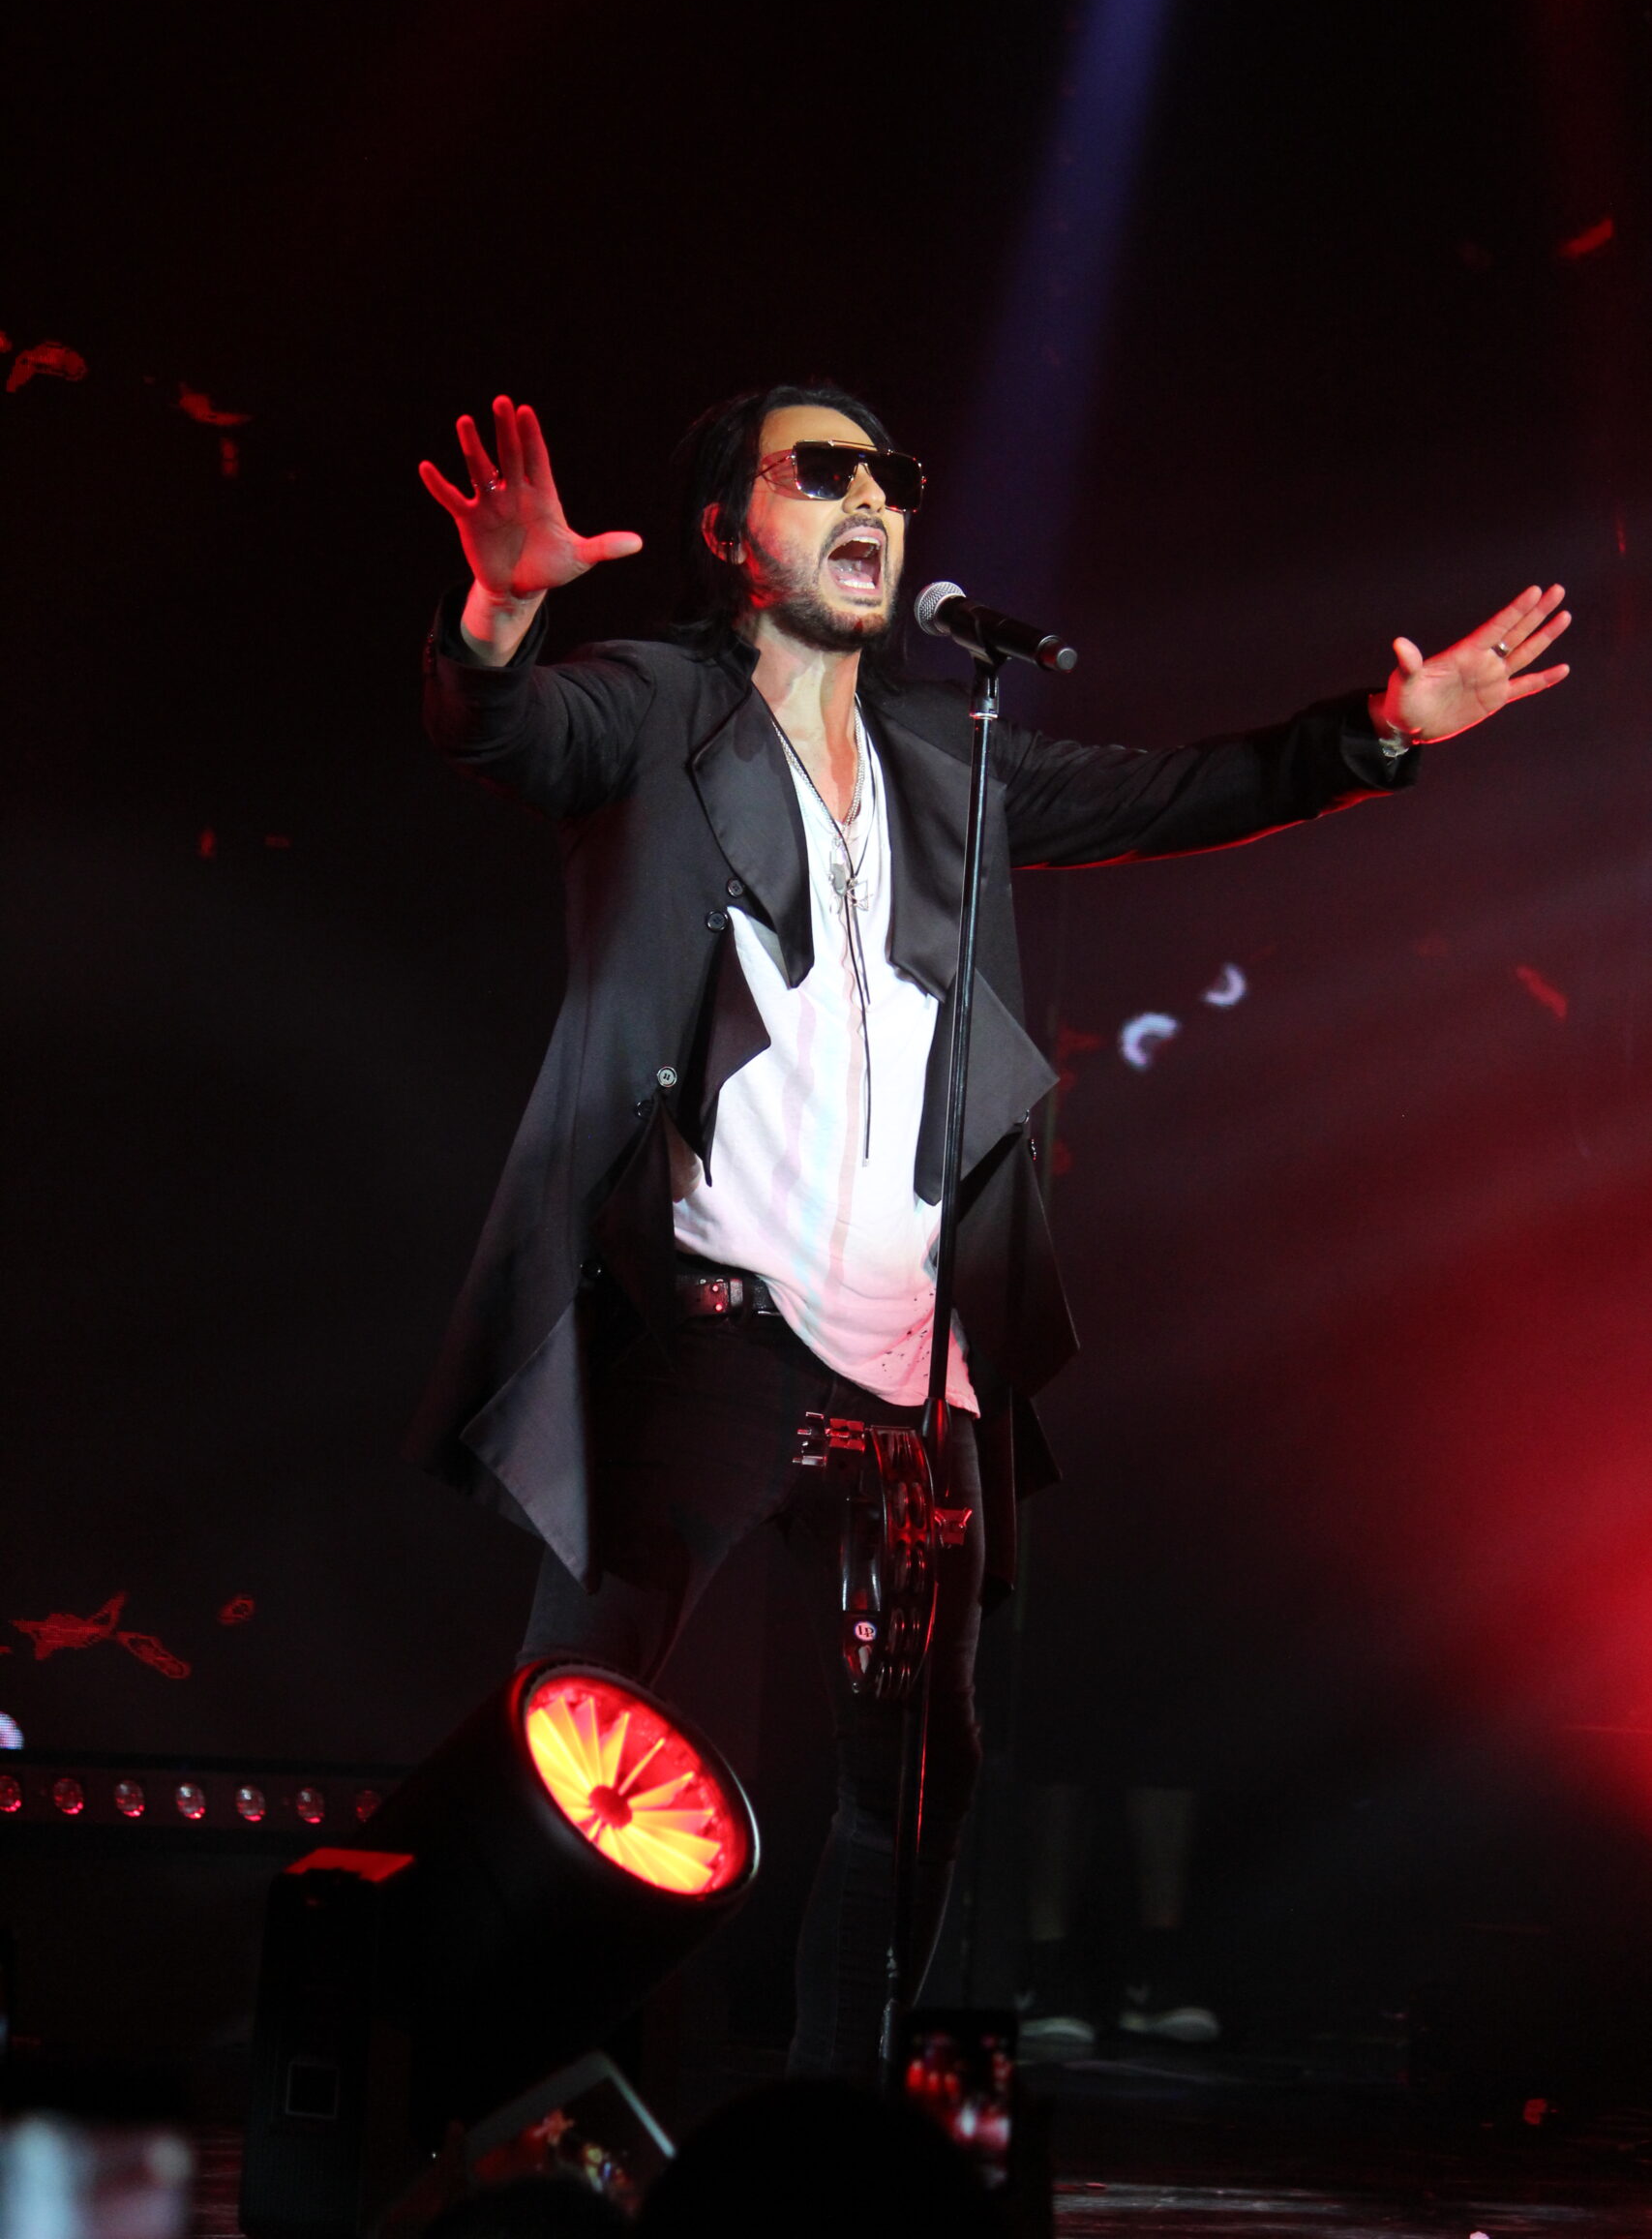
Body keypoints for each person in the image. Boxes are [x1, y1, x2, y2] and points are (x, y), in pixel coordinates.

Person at [407, 381, 1569, 2082]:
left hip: (913, 1365)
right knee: (575, 1747)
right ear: (729, 530)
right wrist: (500, 612)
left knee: (913, 1792)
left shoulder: (951, 760)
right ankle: (466, 2095)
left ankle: (839, 2134)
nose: (871, 499)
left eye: (890, 475)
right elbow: (506, 733)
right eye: (822, 472)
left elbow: (1176, 793)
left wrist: (1383, 731)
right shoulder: (657, 710)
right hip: (711, 1332)